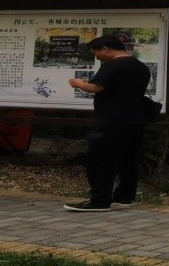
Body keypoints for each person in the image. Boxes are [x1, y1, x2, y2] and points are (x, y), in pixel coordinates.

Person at [65, 36, 152, 212]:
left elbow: (95, 87)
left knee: (100, 159)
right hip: (135, 119)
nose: (97, 57)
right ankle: (125, 197)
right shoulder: (140, 66)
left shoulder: (113, 65)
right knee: (129, 160)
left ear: (105, 48)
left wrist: (79, 83)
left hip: (111, 120)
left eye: (96, 53)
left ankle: (99, 200)